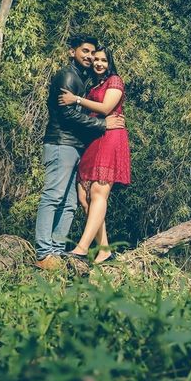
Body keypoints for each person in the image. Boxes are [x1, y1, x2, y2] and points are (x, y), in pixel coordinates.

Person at [34, 35, 125, 270]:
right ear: (71, 51)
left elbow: (96, 108)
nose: (91, 58)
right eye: (85, 52)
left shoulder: (89, 80)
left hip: (79, 146)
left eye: (94, 55)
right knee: (54, 196)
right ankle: (44, 251)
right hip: (61, 143)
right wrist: (102, 125)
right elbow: (66, 114)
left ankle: (57, 249)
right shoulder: (67, 76)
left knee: (70, 203)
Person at [58, 44, 131, 263]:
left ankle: (81, 248)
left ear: (110, 63)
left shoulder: (114, 81)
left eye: (104, 60)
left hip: (110, 138)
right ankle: (105, 249)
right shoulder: (94, 84)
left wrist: (76, 100)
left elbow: (106, 108)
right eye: (96, 59)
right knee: (84, 195)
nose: (99, 63)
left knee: (99, 191)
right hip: (94, 138)